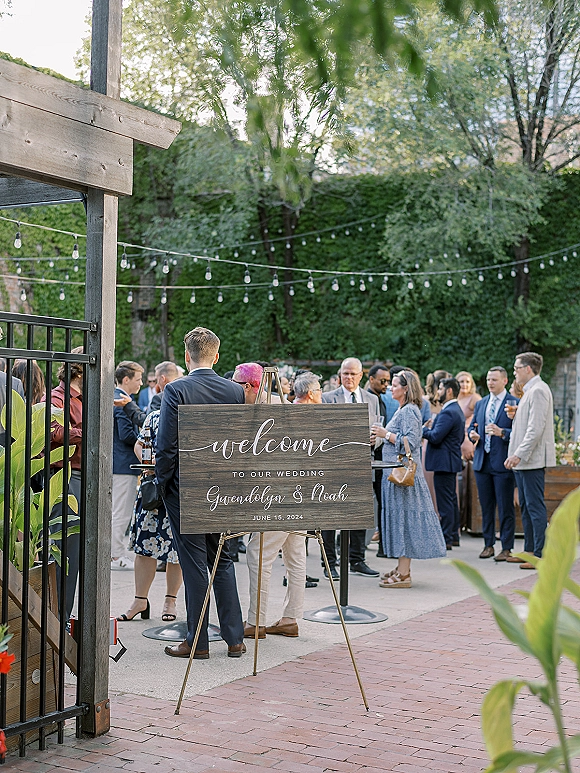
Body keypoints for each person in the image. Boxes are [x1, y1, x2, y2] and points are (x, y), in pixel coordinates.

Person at [156, 327, 246, 659]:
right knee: (222, 560)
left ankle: (197, 641)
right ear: (217, 356)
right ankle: (235, 639)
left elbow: (166, 446)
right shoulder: (235, 391)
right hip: (224, 487)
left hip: (187, 487)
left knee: (194, 565)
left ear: (186, 356)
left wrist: (163, 483)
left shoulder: (176, 389)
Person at [244, 371, 322, 639]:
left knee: (259, 552)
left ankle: (256, 621)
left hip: (279, 495)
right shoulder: (309, 413)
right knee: (295, 557)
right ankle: (290, 618)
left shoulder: (278, 408)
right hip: (303, 495)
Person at [116, 361, 183, 623]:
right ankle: (139, 601)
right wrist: (148, 460)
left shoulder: (189, 417)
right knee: (144, 547)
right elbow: (140, 444)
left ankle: (170, 600)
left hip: (177, 492)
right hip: (152, 491)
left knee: (176, 550)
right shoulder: (155, 417)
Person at [371, 370, 447, 587]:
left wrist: (385, 434)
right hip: (396, 478)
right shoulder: (404, 409)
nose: (390, 387)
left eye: (395, 384)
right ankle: (401, 567)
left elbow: (412, 442)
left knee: (404, 523)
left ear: (405, 388)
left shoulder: (410, 411)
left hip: (404, 479)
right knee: (400, 521)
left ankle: (404, 574)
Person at [321, 357, 380, 579]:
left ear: (361, 375)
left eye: (353, 374)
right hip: (334, 466)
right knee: (330, 516)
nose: (349, 378)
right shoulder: (327, 398)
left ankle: (357, 560)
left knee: (358, 514)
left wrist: (377, 440)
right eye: (345, 373)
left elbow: (378, 427)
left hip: (362, 464)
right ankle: (329, 563)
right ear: (340, 375)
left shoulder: (371, 399)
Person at [505, 352, 556, 569]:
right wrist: (518, 414)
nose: (514, 372)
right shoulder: (530, 392)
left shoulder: (538, 391)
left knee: (535, 506)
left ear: (528, 369)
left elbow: (536, 429)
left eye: (517, 368)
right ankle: (529, 550)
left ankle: (540, 554)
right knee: (525, 506)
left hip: (531, 459)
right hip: (525, 460)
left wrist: (519, 454)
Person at [43, 348, 84, 621]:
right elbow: (55, 431)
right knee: (65, 554)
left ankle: (67, 619)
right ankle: (59, 621)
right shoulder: (56, 397)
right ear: (79, 370)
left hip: (85, 478)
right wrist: (90, 427)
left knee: (80, 554)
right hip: (67, 478)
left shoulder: (85, 398)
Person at [468, 367, 517, 561]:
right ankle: (488, 544)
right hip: (482, 461)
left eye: (494, 379)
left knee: (505, 507)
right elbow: (473, 426)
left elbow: (519, 433)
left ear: (505, 381)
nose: (490, 383)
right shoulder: (481, 404)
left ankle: (507, 547)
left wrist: (502, 432)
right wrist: (472, 434)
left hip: (503, 462)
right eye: (488, 379)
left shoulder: (514, 403)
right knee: (486, 505)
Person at [423, 377, 465, 549]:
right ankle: (453, 536)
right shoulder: (455, 409)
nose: (437, 392)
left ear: (449, 391)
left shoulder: (449, 411)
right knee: (451, 500)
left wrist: (423, 429)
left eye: (440, 389)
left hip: (444, 462)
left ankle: (446, 539)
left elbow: (436, 437)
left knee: (445, 502)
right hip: (448, 460)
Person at [112, 361, 144, 571]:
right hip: (124, 464)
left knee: (117, 510)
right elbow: (126, 435)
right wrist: (144, 441)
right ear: (126, 379)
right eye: (138, 379)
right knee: (121, 512)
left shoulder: (118, 397)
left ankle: (116, 553)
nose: (141, 383)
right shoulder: (121, 401)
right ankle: (115, 555)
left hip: (120, 463)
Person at [367, 364, 389, 557]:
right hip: (371, 458)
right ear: (371, 379)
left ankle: (383, 544)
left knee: (382, 502)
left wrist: (381, 437)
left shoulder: (380, 399)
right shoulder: (368, 399)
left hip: (381, 457)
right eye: (383, 381)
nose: (386, 384)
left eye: (388, 381)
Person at [455, 371, 481, 463]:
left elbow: (480, 420)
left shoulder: (475, 398)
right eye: (461, 381)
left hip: (468, 438)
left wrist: (472, 441)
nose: (464, 384)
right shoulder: (455, 398)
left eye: (467, 382)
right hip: (455, 438)